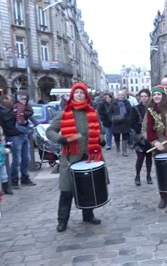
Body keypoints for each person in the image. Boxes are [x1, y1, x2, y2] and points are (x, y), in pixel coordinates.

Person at [46, 82, 105, 232]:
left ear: (86, 95)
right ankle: (62, 220)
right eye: (76, 93)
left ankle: (88, 215)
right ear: (72, 95)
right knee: (67, 190)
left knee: (88, 187)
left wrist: (101, 139)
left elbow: (100, 130)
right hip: (70, 157)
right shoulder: (65, 113)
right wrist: (61, 139)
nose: (79, 95)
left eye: (82, 93)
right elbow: (50, 131)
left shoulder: (92, 112)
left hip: (88, 155)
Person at [0, 95, 36, 189]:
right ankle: (14, 180)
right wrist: (3, 140)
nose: (11, 100)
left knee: (26, 158)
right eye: (8, 99)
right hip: (13, 137)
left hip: (23, 135)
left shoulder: (17, 108)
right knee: (16, 160)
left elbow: (28, 114)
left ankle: (25, 178)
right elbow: (0, 128)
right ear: (3, 101)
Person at [130, 89, 153, 186]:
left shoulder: (152, 108)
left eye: (145, 96)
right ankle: (137, 176)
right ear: (139, 97)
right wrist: (140, 132)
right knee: (140, 157)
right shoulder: (135, 108)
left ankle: (148, 175)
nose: (143, 98)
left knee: (149, 157)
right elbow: (132, 123)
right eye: (142, 96)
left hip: (150, 136)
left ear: (148, 97)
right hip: (139, 137)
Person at [110, 90, 132, 156]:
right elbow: (109, 112)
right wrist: (112, 118)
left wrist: (128, 118)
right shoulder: (114, 102)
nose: (121, 96)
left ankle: (124, 151)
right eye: (119, 95)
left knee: (125, 136)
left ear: (124, 95)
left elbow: (130, 112)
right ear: (117, 95)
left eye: (122, 95)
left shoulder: (127, 102)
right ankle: (117, 146)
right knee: (116, 136)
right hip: (116, 123)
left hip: (125, 122)